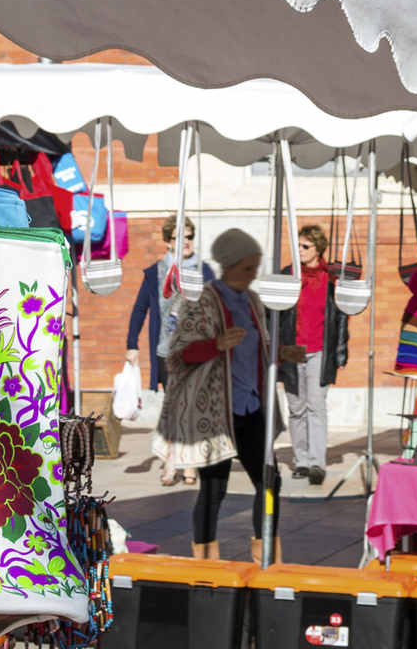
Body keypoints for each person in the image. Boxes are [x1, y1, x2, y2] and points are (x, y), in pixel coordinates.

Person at [159, 228, 306, 562]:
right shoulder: (202, 300)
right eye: (247, 268)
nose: (252, 275)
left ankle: (265, 552)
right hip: (217, 411)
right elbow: (178, 355)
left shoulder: (253, 301)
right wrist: (216, 345)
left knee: (270, 482)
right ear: (228, 265)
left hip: (251, 407)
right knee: (213, 490)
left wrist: (281, 353)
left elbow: (257, 348)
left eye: (255, 268)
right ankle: (206, 560)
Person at [274, 223, 350, 485]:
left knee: (316, 406)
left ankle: (317, 463)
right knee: (296, 408)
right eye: (298, 245)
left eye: (305, 246)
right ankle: (302, 461)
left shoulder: (332, 278)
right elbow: (276, 314)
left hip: (320, 349)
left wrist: (340, 352)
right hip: (293, 349)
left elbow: (341, 318)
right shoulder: (288, 275)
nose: (300, 250)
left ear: (318, 249)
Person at [126, 217, 197, 485]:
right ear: (169, 242)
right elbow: (139, 309)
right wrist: (131, 344)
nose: (186, 242)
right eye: (180, 237)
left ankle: (184, 464)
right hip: (167, 351)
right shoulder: (156, 272)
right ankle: (175, 461)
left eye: (190, 237)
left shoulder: (201, 270)